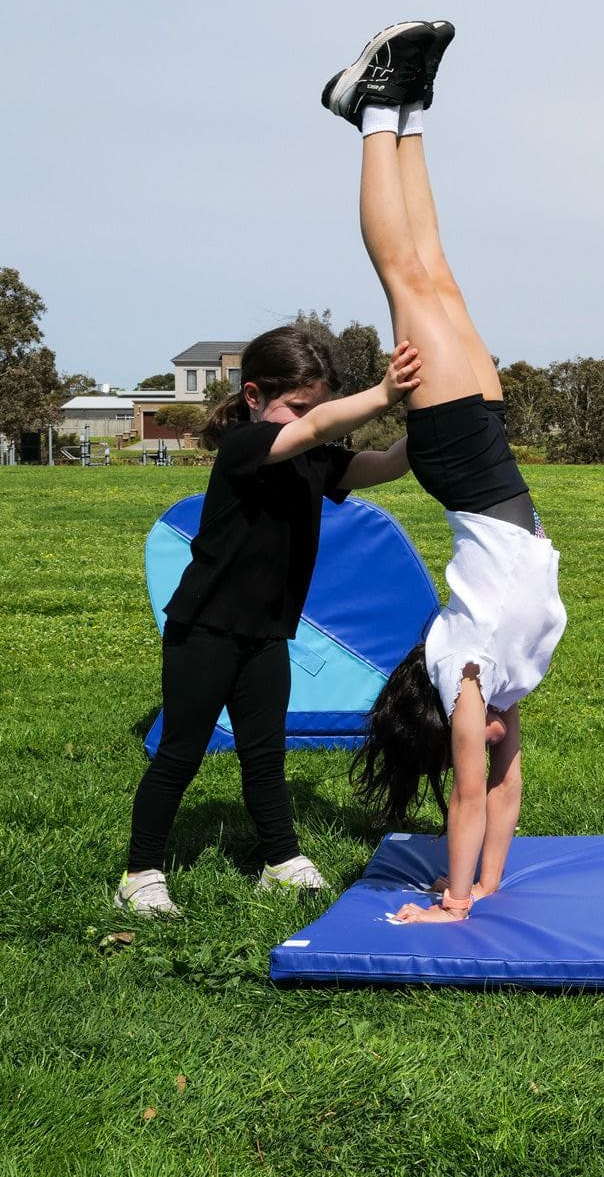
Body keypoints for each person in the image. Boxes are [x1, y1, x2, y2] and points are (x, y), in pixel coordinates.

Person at [332, 20, 567, 925]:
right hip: (490, 454)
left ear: (451, 728)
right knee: (442, 276)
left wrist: (455, 901)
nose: (500, 749)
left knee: (404, 276)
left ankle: (365, 117)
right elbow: (501, 801)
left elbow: (466, 800)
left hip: (462, 468)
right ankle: (408, 109)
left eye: (482, 745)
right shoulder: (503, 690)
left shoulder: (464, 673)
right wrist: (495, 884)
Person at [115, 326, 422, 916]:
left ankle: (280, 860)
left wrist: (428, 417)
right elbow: (307, 430)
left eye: (323, 407)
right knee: (181, 752)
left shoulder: (313, 457)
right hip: (204, 628)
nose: (317, 420)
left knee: (265, 752)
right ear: (253, 396)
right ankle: (141, 872)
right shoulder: (245, 446)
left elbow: (384, 465)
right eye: (303, 406)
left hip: (266, 633)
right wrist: (383, 392)